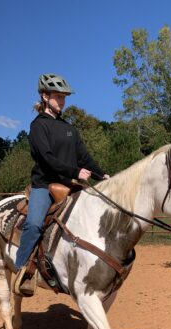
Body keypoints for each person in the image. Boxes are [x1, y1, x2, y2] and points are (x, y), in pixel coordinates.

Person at [13, 73, 108, 296]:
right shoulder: (38, 126)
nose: (62, 101)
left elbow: (83, 156)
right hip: (44, 185)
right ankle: (22, 269)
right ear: (45, 97)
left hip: (69, 184)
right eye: (57, 96)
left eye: (64, 97)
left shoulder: (69, 128)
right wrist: (75, 171)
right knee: (35, 223)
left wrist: (101, 174)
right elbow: (46, 158)